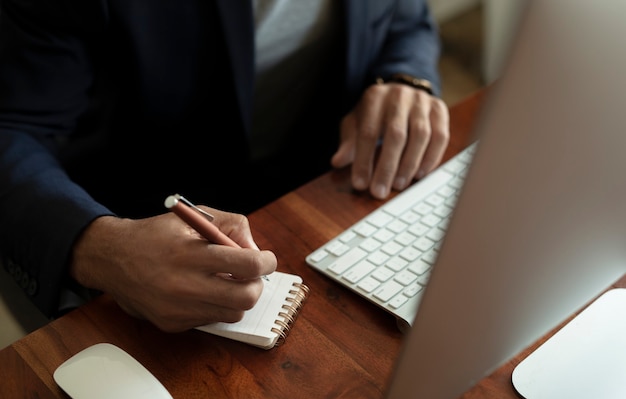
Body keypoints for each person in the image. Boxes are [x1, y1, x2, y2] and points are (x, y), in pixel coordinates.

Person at [0, 0, 450, 332]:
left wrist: (406, 76)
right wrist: (97, 248)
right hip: (141, 234)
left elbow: (406, 18)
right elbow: (12, 128)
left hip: (329, 189)